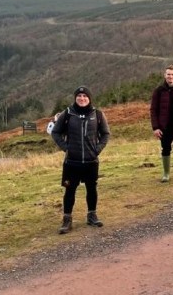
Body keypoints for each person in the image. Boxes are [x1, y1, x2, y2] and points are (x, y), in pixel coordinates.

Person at [51, 86, 110, 234]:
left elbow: (105, 134)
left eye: (85, 96)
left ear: (89, 98)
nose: (82, 99)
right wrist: (66, 148)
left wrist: (98, 149)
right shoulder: (68, 113)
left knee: (92, 188)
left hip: (91, 162)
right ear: (75, 98)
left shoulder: (97, 114)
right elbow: (55, 132)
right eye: (79, 96)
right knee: (69, 190)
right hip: (71, 162)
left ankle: (92, 215)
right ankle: (67, 220)